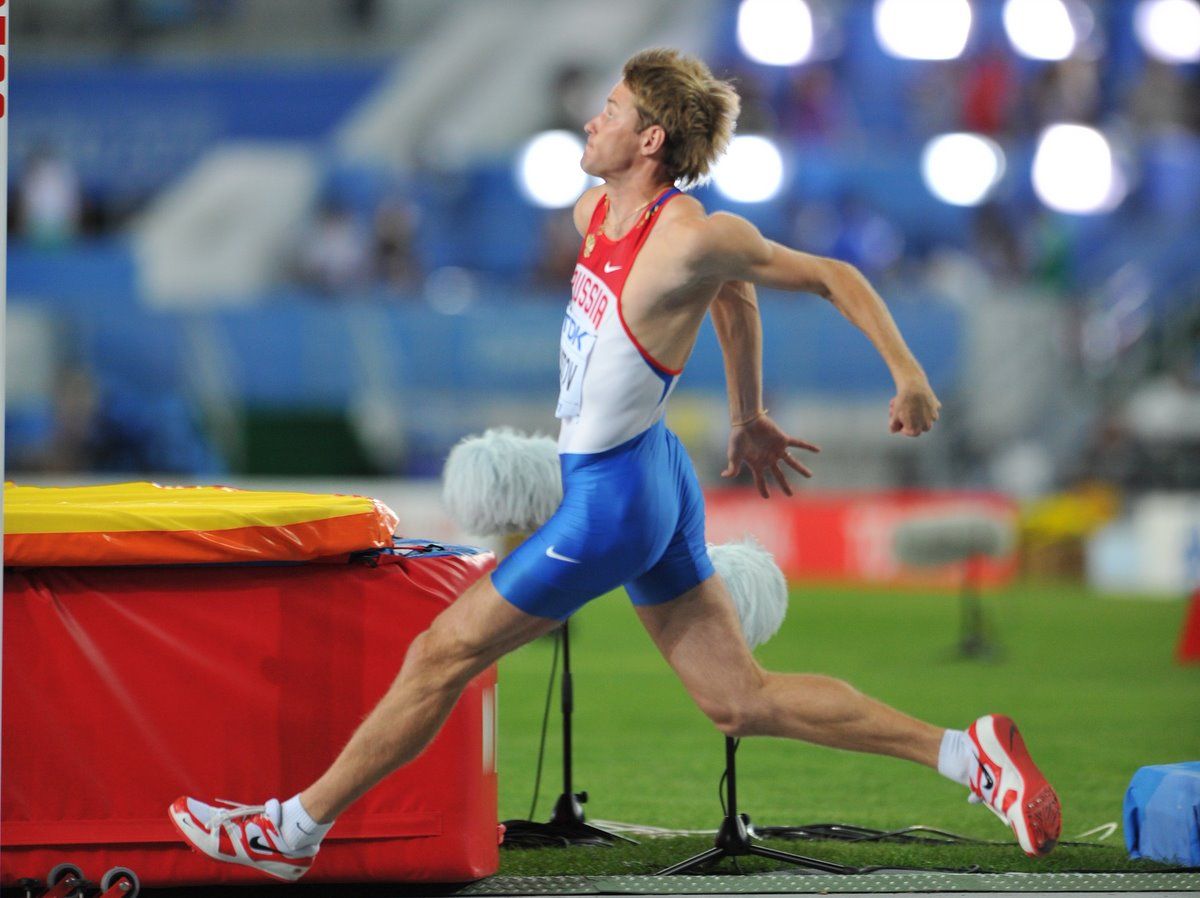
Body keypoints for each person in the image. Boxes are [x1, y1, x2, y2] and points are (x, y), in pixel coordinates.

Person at [170, 48, 1061, 880]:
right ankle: (966, 755)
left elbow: (832, 276)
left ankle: (292, 831)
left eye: (611, 109)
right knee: (738, 700)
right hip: (650, 471)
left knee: (442, 651)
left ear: (651, 139)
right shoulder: (593, 213)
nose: (592, 121)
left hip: (614, 501)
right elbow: (732, 298)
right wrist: (746, 414)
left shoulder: (688, 236)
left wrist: (908, 375)